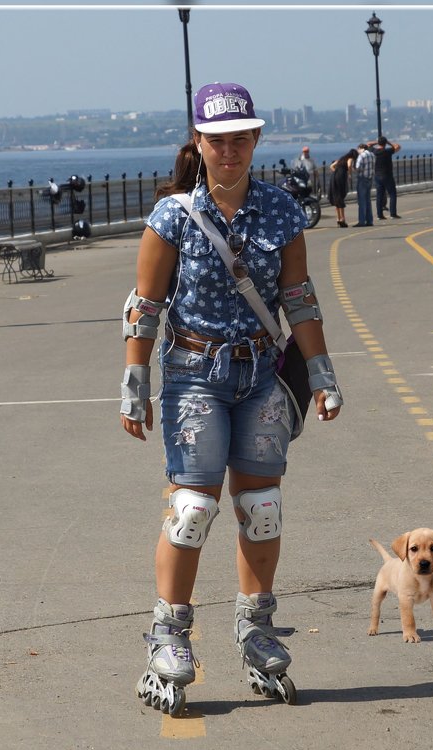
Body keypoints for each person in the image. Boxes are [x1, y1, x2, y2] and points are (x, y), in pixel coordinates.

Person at [120, 81, 344, 716]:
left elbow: (298, 298)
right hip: (194, 374)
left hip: (262, 377)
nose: (229, 151)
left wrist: (322, 374)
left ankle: (256, 627)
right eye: (218, 140)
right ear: (200, 141)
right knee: (191, 509)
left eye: (240, 139)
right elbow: (145, 306)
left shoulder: (281, 211)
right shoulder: (172, 216)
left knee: (261, 507)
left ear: (257, 140)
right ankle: (167, 634)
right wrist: (135, 386)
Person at [367, 136, 401, 219]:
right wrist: (389, 142)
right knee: (392, 194)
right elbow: (398, 146)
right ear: (385, 144)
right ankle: (393, 214)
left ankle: (380, 215)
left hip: (377, 175)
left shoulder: (375, 151)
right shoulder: (387, 151)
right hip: (387, 175)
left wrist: (377, 142)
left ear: (379, 143)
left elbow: (368, 144)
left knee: (379, 195)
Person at [327, 147, 357, 228]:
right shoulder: (350, 158)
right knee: (341, 196)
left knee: (336, 197)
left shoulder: (341, 159)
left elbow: (331, 166)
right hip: (341, 177)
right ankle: (343, 219)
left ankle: (338, 218)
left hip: (334, 177)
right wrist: (349, 174)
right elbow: (349, 165)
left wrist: (336, 172)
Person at [354, 142, 375, 227]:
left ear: (360, 148)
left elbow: (358, 167)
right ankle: (369, 220)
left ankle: (362, 221)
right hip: (370, 178)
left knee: (361, 200)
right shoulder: (372, 155)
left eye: (358, 150)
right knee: (368, 200)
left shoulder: (362, 156)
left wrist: (355, 169)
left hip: (362, 178)